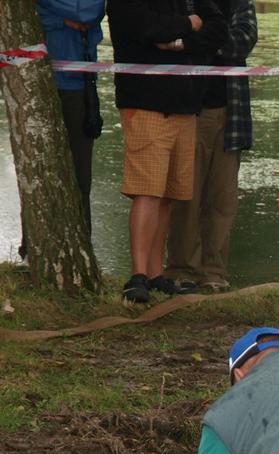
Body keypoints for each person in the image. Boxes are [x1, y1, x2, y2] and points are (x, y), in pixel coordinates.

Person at [107, 0, 228, 307]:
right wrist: (190, 23)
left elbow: (218, 28)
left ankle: (155, 274)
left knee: (168, 195)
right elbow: (145, 27)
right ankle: (137, 276)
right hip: (145, 103)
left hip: (186, 106)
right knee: (147, 191)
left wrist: (181, 42)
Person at [164, 0, 258, 294]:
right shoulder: (184, 3)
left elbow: (242, 43)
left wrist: (199, 39)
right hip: (191, 110)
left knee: (222, 200)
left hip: (232, 113)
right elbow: (173, 40)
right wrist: (200, 39)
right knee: (185, 197)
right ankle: (182, 269)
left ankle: (214, 272)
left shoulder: (240, 3)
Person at [35, 0, 105, 233]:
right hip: (40, 83)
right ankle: (35, 243)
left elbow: (87, 12)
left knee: (79, 174)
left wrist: (50, 13)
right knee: (40, 171)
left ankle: (81, 237)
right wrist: (62, 20)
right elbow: (26, 15)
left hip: (78, 86)